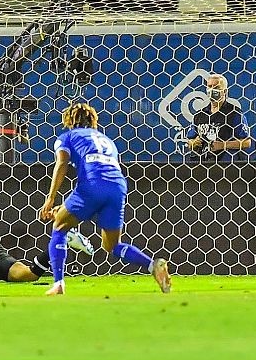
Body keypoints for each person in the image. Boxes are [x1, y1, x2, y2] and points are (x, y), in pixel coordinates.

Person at [39, 103, 171, 296]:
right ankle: (153, 265)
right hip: (117, 186)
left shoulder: (67, 137)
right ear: (93, 120)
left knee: (59, 226)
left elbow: (62, 163)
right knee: (112, 245)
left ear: (68, 120)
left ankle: (59, 284)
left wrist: (51, 198)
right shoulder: (107, 140)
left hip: (93, 184)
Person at [184, 74, 252, 161]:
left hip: (227, 165)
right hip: (203, 164)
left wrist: (223, 145)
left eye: (216, 87)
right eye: (209, 86)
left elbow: (247, 142)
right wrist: (193, 143)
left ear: (225, 91)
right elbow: (190, 140)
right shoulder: (199, 115)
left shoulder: (235, 113)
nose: (212, 90)